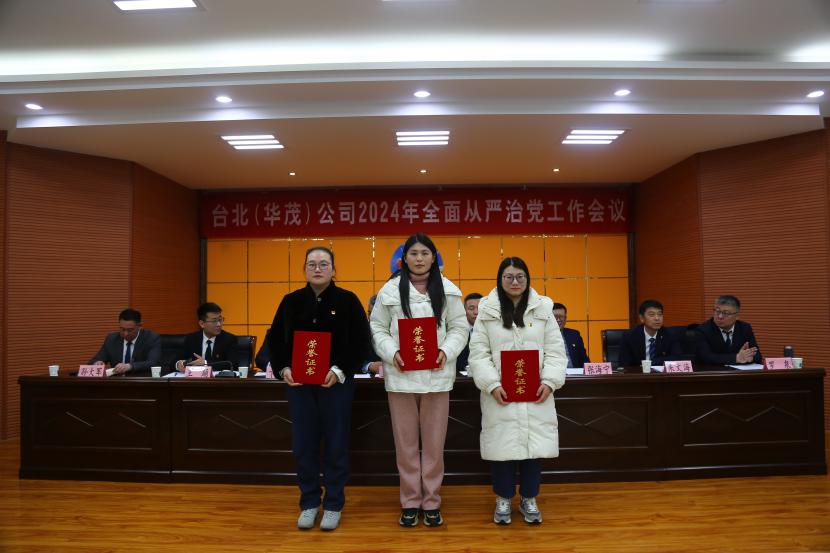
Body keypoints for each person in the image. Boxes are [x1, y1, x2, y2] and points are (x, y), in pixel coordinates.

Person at [267, 246, 371, 531]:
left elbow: (361, 343)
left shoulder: (348, 301)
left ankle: (334, 503)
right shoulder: (290, 301)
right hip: (300, 386)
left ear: (334, 270)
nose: (317, 268)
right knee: (304, 445)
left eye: (324, 263)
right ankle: (309, 502)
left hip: (335, 385)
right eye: (311, 264)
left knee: (336, 444)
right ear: (304, 269)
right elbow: (275, 342)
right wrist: (284, 368)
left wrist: (339, 370)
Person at [369, 233, 468, 528]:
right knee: (406, 445)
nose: (420, 258)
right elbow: (377, 328)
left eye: (425, 253)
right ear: (404, 259)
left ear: (433, 258)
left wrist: (446, 351)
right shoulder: (389, 291)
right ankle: (411, 501)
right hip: (401, 377)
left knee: (435, 445)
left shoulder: (448, 291)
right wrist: (392, 353)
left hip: (437, 377)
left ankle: (432, 501)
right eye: (414, 253)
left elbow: (460, 328)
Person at [468, 257, 567, 525]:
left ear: (527, 278)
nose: (514, 282)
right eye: (509, 277)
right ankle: (503, 498)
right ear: (500, 280)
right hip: (500, 394)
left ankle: (529, 498)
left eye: (520, 277)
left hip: (536, 393)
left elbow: (556, 352)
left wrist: (550, 381)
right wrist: (492, 384)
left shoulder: (543, 309)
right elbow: (478, 354)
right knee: (502, 448)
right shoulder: (487, 311)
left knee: (534, 449)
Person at [89, 308, 161, 376]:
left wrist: (130, 366)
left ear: (140, 326)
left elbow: (153, 363)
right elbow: (94, 360)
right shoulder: (112, 339)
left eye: (130, 330)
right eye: (122, 329)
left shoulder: (151, 338)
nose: (125, 334)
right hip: (117, 381)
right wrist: (97, 363)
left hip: (140, 381)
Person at [696, 295, 762, 365]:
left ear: (737, 316)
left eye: (726, 313)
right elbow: (705, 357)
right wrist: (737, 358)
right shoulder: (703, 330)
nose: (720, 316)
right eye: (717, 311)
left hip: (739, 371)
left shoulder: (745, 328)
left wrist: (749, 357)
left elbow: (757, 356)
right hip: (714, 371)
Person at [174, 302, 240, 372]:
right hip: (195, 378)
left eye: (220, 320)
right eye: (214, 321)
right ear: (202, 324)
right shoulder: (191, 339)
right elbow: (173, 362)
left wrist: (205, 363)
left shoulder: (229, 339)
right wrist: (178, 364)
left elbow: (232, 364)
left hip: (218, 378)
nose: (219, 324)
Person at [618, 299, 683, 367]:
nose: (657, 318)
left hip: (660, 372)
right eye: (652, 315)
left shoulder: (669, 335)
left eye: (660, 314)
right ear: (642, 318)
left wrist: (650, 363)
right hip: (638, 372)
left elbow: (677, 358)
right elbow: (623, 363)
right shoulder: (629, 336)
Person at [552, 302, 589, 368]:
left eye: (561, 317)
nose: (558, 320)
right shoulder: (541, 336)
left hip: (573, 373)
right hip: (551, 372)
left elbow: (584, 359)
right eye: (555, 317)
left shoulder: (574, 335)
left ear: (565, 318)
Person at [456, 292, 483, 374]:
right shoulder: (457, 331)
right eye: (471, 308)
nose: (476, 312)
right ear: (464, 311)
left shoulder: (492, 330)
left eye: (480, 308)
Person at [360, 295, 382, 376]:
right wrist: (369, 366)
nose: (371, 318)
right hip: (369, 381)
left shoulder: (401, 331)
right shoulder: (360, 332)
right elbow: (351, 360)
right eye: (369, 313)